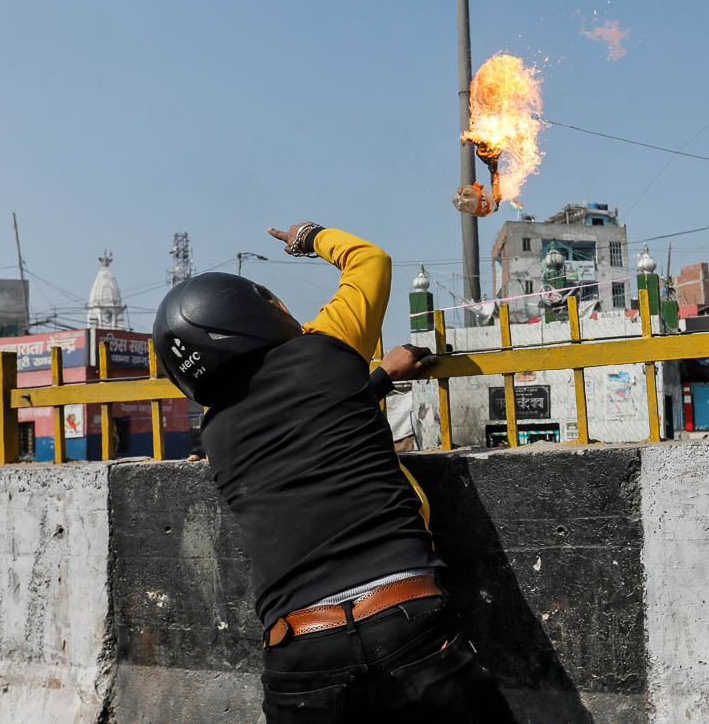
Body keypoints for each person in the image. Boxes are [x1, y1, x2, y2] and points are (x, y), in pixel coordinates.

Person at [152, 222, 514, 723]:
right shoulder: (327, 350)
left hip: (300, 655)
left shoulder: (216, 436)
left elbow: (308, 428)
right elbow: (371, 261)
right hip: (407, 621)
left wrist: (378, 380)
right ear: (253, 314)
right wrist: (309, 235)